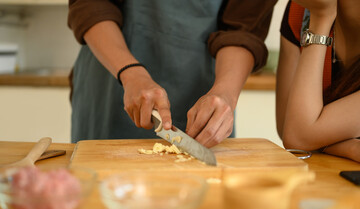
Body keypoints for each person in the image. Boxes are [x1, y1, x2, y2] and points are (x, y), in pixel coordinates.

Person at [67, 0, 277, 147]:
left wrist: (226, 93)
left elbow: (243, 28)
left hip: (204, 81)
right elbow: (91, 4)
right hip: (111, 78)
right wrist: (130, 73)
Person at [276, 0, 360, 161]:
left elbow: (297, 136)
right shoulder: (303, 10)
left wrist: (322, 17)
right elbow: (287, 129)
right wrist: (350, 148)